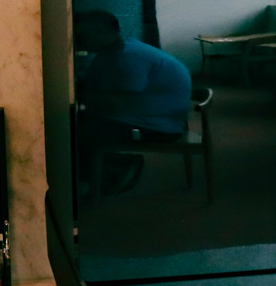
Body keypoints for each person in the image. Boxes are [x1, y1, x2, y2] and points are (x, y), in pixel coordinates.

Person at [73, 10, 192, 196]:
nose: (76, 42)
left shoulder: (128, 57)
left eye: (81, 37)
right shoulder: (118, 50)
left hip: (160, 127)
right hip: (153, 118)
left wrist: (77, 93)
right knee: (78, 124)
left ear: (100, 32)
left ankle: (106, 177)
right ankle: (114, 167)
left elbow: (114, 105)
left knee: (77, 131)